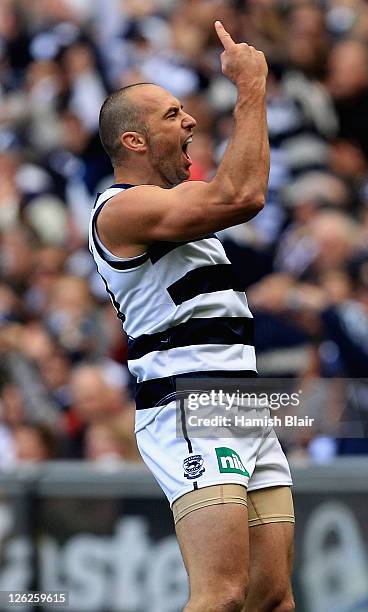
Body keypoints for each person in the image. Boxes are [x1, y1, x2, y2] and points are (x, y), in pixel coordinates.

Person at [89, 21, 295, 612]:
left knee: (271, 596)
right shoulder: (122, 211)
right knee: (222, 595)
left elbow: (232, 196)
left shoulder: (180, 205)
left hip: (242, 399)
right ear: (133, 142)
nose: (190, 123)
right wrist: (251, 88)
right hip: (191, 402)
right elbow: (244, 195)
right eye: (172, 115)